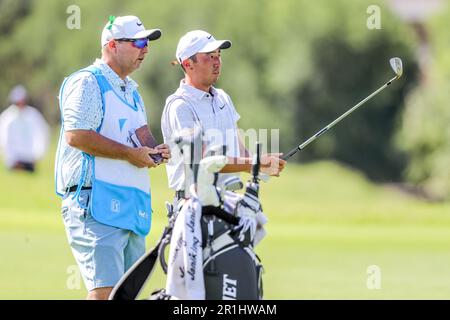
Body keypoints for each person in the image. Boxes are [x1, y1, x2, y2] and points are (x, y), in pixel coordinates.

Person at [54, 15, 170, 300]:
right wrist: (131, 154)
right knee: (105, 295)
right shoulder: (88, 82)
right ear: (112, 45)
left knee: (125, 296)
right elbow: (77, 135)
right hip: (95, 203)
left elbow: (140, 138)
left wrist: (156, 151)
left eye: (148, 44)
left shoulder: (131, 91)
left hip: (128, 206)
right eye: (139, 42)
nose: (146, 49)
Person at [161, 30, 285, 198]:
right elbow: (205, 160)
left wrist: (261, 165)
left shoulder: (223, 98)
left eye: (218, 55)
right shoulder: (180, 105)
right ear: (189, 64)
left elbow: (240, 153)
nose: (217, 61)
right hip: (193, 203)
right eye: (210, 56)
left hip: (229, 199)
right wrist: (254, 163)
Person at [0, 85, 49, 172]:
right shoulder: (6, 117)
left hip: (30, 159)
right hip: (14, 161)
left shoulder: (34, 115)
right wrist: (10, 158)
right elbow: (4, 139)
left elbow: (42, 134)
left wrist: (37, 155)